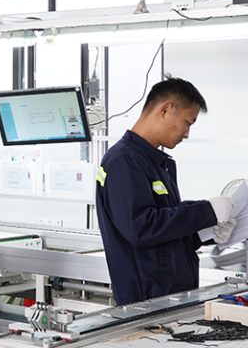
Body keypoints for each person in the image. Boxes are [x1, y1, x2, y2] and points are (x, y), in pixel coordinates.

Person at [95, 78, 235, 306]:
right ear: (166, 110)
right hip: (146, 302)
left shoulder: (154, 162)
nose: (187, 133)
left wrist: (203, 233)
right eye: (187, 123)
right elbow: (140, 229)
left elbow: (165, 230)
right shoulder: (124, 162)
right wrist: (205, 211)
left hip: (167, 297)